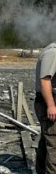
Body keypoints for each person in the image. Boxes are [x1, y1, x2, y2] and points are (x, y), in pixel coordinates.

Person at [35, 41, 56, 174]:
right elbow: (44, 80)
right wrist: (51, 105)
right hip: (50, 101)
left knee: (47, 139)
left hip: (49, 100)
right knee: (54, 144)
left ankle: (41, 170)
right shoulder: (53, 52)